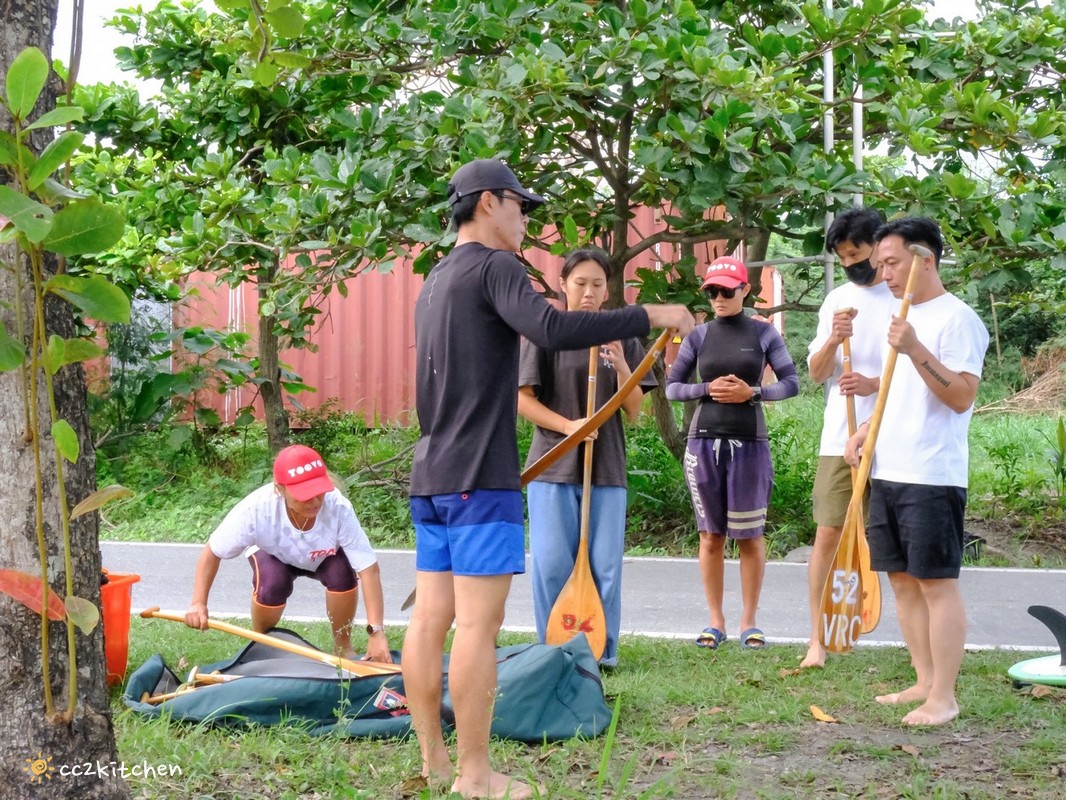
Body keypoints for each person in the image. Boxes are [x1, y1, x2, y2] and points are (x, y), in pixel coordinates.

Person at [403, 158, 694, 800]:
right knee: (476, 627)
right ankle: (475, 776)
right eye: (520, 205)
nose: (525, 219)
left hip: (431, 475)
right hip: (480, 476)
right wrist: (649, 314)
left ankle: (435, 764)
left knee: (429, 621)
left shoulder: (436, 280)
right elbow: (553, 328)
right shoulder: (493, 265)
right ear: (487, 202)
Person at [845, 217, 989, 726]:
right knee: (902, 580)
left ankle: (944, 697)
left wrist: (915, 348)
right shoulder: (900, 316)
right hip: (889, 466)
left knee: (935, 583)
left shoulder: (958, 320)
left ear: (924, 260)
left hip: (932, 473)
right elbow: (893, 390)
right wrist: (864, 433)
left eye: (892, 262)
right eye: (880, 263)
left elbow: (960, 396)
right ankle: (924, 680)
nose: (882, 272)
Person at [518, 247, 657, 670]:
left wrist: (619, 367)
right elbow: (522, 400)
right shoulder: (546, 332)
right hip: (552, 465)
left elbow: (636, 412)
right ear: (563, 285)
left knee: (605, 566)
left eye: (598, 284)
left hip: (606, 467)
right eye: (580, 284)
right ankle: (553, 650)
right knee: (552, 565)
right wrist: (569, 427)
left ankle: (603, 652)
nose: (589, 293)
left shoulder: (622, 336)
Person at [665, 256, 799, 651]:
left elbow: (791, 383)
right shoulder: (699, 336)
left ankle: (749, 622)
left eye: (727, 290)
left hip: (750, 444)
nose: (719, 297)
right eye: (712, 291)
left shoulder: (763, 333)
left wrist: (752, 393)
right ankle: (715, 621)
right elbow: (673, 388)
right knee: (710, 537)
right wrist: (706, 390)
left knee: (751, 537)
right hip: (703, 442)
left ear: (745, 291)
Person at [184, 444, 392, 663]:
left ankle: (343, 647)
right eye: (305, 495)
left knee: (342, 573)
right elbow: (212, 552)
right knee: (273, 583)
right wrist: (198, 603)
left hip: (324, 555)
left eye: (318, 492)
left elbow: (369, 570)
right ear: (280, 488)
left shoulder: (337, 506)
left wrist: (376, 631)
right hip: (273, 554)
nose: (314, 502)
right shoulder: (256, 510)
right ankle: (264, 646)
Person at [800, 207, 898, 669]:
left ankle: (906, 635)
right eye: (842, 259)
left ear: (879, 246)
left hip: (895, 434)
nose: (850, 266)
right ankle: (817, 639)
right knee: (828, 532)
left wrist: (875, 385)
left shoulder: (905, 296)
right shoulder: (838, 299)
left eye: (856, 255)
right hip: (839, 438)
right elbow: (817, 371)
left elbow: (922, 372)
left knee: (895, 541)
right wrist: (831, 339)